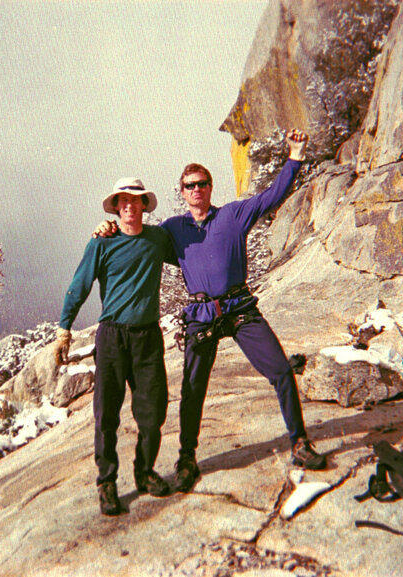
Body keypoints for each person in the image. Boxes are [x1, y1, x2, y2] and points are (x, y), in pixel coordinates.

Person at [94, 130, 326, 494]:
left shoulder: (233, 215)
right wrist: (108, 229)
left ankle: (299, 442)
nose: (196, 189)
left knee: (281, 369)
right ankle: (187, 459)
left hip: (239, 308)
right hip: (201, 314)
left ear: (210, 187)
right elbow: (138, 236)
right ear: (182, 192)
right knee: (192, 389)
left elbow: (273, 196)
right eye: (189, 186)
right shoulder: (171, 230)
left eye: (202, 183)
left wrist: (295, 155)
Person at [55, 177, 177, 516]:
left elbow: (189, 255)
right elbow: (79, 284)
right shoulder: (102, 243)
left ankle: (145, 472)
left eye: (135, 200)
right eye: (123, 201)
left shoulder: (158, 239)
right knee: (106, 413)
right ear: (116, 207)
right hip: (111, 337)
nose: (129, 206)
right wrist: (64, 328)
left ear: (144, 206)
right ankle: (106, 482)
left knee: (152, 411)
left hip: (148, 336)